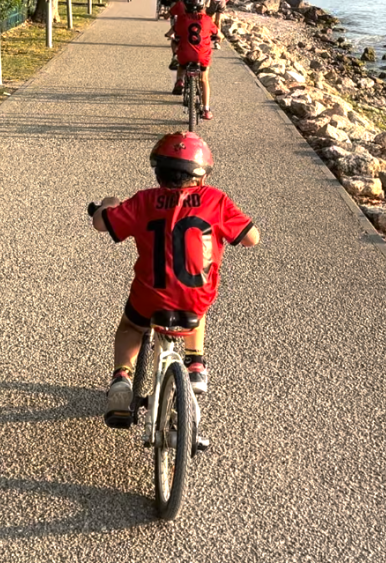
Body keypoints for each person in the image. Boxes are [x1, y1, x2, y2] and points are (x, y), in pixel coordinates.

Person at [90, 131, 260, 422]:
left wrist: (107, 205)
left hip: (149, 296)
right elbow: (252, 238)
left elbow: (100, 224)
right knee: (196, 302)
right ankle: (195, 365)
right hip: (196, 296)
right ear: (202, 177)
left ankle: (122, 377)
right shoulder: (216, 200)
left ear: (158, 173)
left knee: (131, 326)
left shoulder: (144, 201)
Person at [171, 0, 221, 117]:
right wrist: (219, 38)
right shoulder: (207, 20)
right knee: (204, 79)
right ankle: (206, 110)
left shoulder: (182, 19)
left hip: (185, 55)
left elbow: (175, 33)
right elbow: (219, 34)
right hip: (202, 57)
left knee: (181, 64)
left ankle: (179, 81)